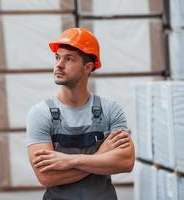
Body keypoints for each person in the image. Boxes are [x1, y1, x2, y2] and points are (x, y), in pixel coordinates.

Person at [26, 28, 135, 200]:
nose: (59, 65)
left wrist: (70, 161)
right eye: (57, 57)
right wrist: (100, 156)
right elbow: (47, 177)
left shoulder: (110, 110)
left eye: (69, 59)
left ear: (87, 67)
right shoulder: (40, 113)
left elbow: (126, 162)